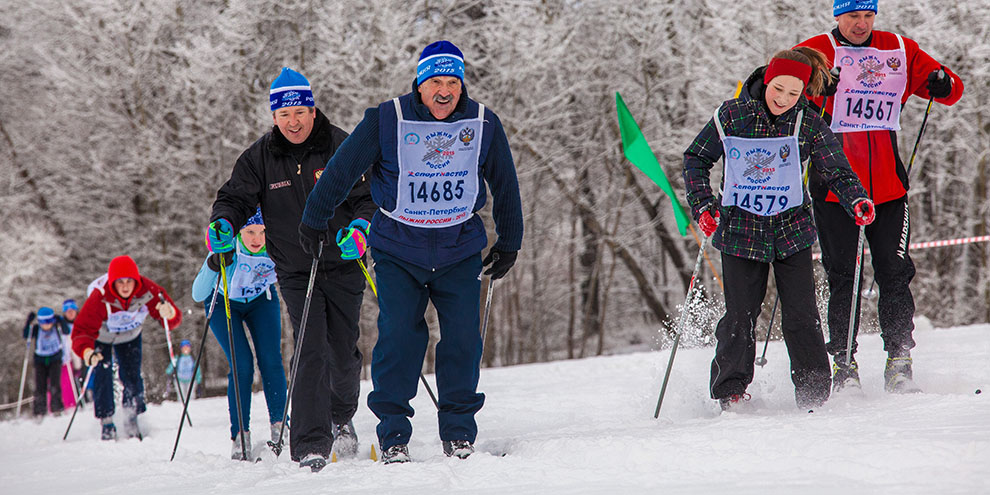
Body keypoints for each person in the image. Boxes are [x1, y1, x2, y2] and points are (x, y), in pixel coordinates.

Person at [299, 40, 524, 463]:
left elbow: (505, 183)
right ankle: (393, 435)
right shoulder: (388, 119)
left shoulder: (482, 123)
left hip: (459, 249)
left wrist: (510, 240)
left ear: (462, 85)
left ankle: (458, 432)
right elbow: (342, 170)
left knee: (462, 341)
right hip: (399, 249)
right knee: (400, 338)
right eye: (435, 81)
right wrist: (314, 219)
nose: (444, 91)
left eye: (453, 82)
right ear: (419, 84)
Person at [683, 47, 873, 410]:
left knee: (802, 315)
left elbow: (836, 170)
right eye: (778, 89)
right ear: (766, 80)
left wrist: (857, 199)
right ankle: (731, 392)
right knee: (740, 314)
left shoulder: (808, 122)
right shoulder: (732, 115)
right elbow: (696, 158)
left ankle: (813, 393)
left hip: (791, 232)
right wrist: (704, 205)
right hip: (740, 231)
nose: (784, 99)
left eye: (793, 93)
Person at [207, 67, 377, 471]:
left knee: (341, 349)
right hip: (297, 269)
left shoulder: (341, 145)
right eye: (285, 115)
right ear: (274, 117)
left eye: (300, 111)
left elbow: (368, 197)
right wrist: (223, 225)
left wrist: (361, 228)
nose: (294, 121)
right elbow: (233, 199)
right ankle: (310, 441)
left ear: (313, 110)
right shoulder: (259, 158)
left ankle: (341, 414)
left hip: (343, 260)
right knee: (308, 346)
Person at [795, 0, 964, 393]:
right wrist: (817, 88)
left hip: (888, 187)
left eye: (868, 16)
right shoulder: (815, 49)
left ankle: (899, 360)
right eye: (853, 16)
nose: (861, 24)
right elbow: (773, 92)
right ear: (837, 16)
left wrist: (942, 82)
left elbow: (952, 90)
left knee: (895, 272)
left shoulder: (899, 48)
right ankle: (843, 364)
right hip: (835, 189)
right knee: (843, 277)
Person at [193, 208, 286, 460]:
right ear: (239, 232)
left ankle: (280, 427)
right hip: (224, 302)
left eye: (263, 232)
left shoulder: (277, 245)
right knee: (242, 365)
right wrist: (214, 263)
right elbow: (198, 293)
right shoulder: (228, 246)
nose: (257, 239)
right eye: (250, 232)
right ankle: (240, 435)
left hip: (261, 301)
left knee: (271, 360)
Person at [70, 255, 182, 440]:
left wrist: (169, 313)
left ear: (136, 280)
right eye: (119, 282)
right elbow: (81, 330)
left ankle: (132, 417)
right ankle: (106, 421)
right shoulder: (100, 296)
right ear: (112, 283)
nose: (125, 286)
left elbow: (172, 318)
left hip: (130, 335)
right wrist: (87, 351)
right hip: (102, 337)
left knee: (132, 375)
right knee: (102, 373)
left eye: (129, 281)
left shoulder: (148, 290)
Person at [22, 307, 71, 417]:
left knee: (55, 384)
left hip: (55, 359)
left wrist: (61, 320)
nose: (46, 325)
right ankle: (40, 410)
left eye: (49, 322)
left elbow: (66, 331)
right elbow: (26, 335)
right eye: (44, 323)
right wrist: (28, 322)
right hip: (40, 360)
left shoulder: (56, 327)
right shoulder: (36, 329)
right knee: (40, 386)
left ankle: (57, 408)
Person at [59, 299, 81, 408]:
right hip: (66, 357)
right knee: (66, 383)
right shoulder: (61, 325)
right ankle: (69, 405)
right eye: (68, 311)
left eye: (73, 310)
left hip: (79, 355)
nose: (71, 313)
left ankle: (83, 400)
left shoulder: (81, 322)